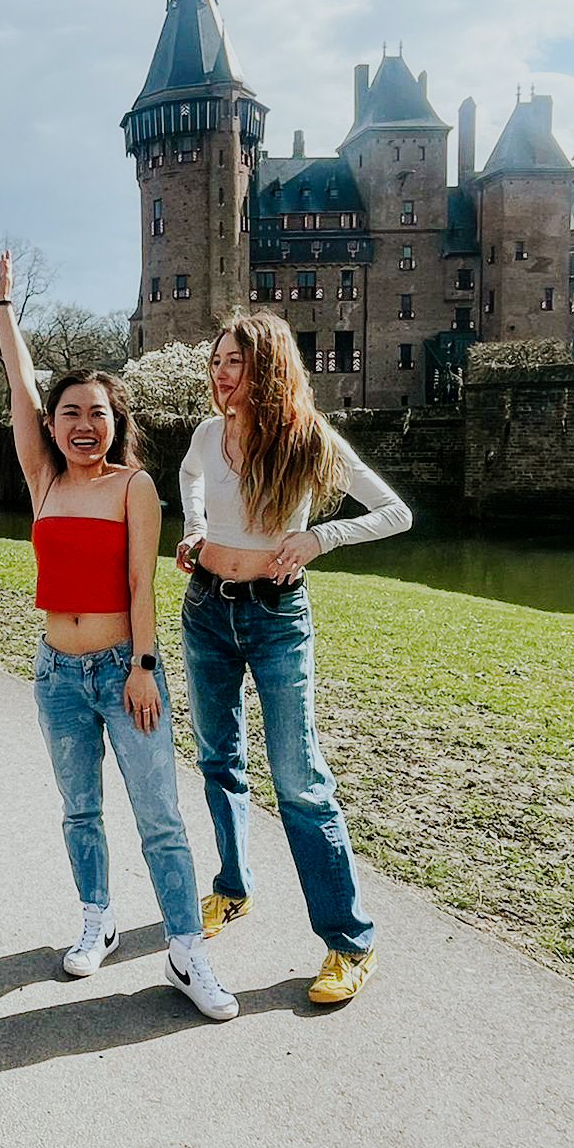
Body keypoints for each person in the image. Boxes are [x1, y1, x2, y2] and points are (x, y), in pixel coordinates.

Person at [0, 251, 237, 1021]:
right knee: (80, 810)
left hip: (122, 672)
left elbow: (141, 584)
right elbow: (20, 389)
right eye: (70, 412)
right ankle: (96, 919)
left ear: (116, 420)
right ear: (54, 424)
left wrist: (142, 665)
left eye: (98, 412)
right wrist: (4, 314)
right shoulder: (45, 479)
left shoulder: (133, 487)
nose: (83, 424)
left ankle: (185, 950)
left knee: (159, 816)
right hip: (55, 674)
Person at [176, 312, 412, 1004]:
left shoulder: (309, 440)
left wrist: (319, 540)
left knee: (300, 780)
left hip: (277, 619)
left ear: (268, 367)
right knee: (218, 760)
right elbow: (192, 477)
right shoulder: (207, 434)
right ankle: (232, 889)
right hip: (205, 610)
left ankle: (350, 942)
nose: (220, 374)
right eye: (216, 361)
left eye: (234, 362)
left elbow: (394, 511)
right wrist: (194, 529)